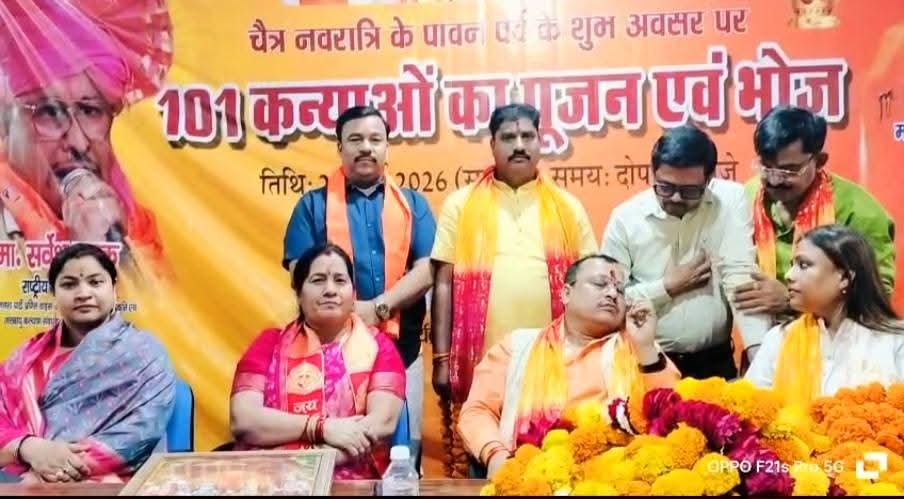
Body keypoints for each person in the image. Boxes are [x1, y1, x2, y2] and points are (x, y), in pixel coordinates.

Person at [431, 103, 597, 476]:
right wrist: (441, 359)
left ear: (540, 142)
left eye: (527, 136)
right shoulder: (461, 204)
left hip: (553, 366)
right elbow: (443, 283)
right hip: (482, 367)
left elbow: (588, 281)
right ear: (492, 144)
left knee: (553, 467)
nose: (519, 145)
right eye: (508, 137)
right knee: (485, 466)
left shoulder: (567, 208)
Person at [282, 105, 435, 465]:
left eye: (375, 139)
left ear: (387, 147)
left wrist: (378, 308)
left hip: (403, 351)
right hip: (327, 356)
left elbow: (428, 269)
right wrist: (349, 313)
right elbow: (300, 273)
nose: (366, 147)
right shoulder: (312, 206)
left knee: (403, 453)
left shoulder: (412, 204)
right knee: (332, 451)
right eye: (355, 139)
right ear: (340, 147)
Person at [458, 254, 680, 478]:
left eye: (620, 290)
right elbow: (477, 411)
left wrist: (646, 348)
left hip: (616, 479)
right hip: (530, 477)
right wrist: (495, 454)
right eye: (600, 284)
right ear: (566, 293)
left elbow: (672, 414)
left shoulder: (639, 347)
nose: (613, 294)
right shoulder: (517, 347)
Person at [0, 0, 170, 275]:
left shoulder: (133, 225)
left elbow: (162, 303)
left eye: (92, 111)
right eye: (50, 112)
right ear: (5, 122)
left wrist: (116, 252)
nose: (79, 143)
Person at [601, 125, 770, 378]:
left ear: (710, 179)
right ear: (652, 173)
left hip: (715, 362)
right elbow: (611, 297)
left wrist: (759, 354)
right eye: (666, 187)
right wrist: (666, 287)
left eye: (690, 191)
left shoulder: (730, 200)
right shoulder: (625, 219)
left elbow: (739, 276)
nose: (676, 198)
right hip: (646, 361)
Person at [0, 243, 175, 483]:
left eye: (95, 282)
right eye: (69, 284)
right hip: (23, 474)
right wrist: (29, 448)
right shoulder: (25, 360)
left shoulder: (145, 353)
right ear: (53, 293)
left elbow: (141, 431)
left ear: (114, 289)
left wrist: (51, 472)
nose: (83, 293)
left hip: (113, 481)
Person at [231, 244, 406, 480]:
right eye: (318, 280)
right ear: (299, 293)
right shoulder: (269, 344)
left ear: (353, 294)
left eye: (340, 280)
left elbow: (380, 423)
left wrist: (313, 461)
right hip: (269, 480)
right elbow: (243, 419)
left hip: (352, 478)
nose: (330, 290)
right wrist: (322, 427)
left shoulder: (379, 348)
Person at [735, 106, 896, 319]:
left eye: (788, 170)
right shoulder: (747, 197)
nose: (774, 180)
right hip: (763, 334)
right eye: (766, 167)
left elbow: (876, 296)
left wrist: (791, 301)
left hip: (835, 335)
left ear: (819, 161)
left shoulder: (860, 211)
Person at [746, 225, 904, 406]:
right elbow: (750, 408)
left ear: (844, 278)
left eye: (803, 265)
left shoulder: (894, 343)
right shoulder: (779, 339)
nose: (789, 275)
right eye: (792, 265)